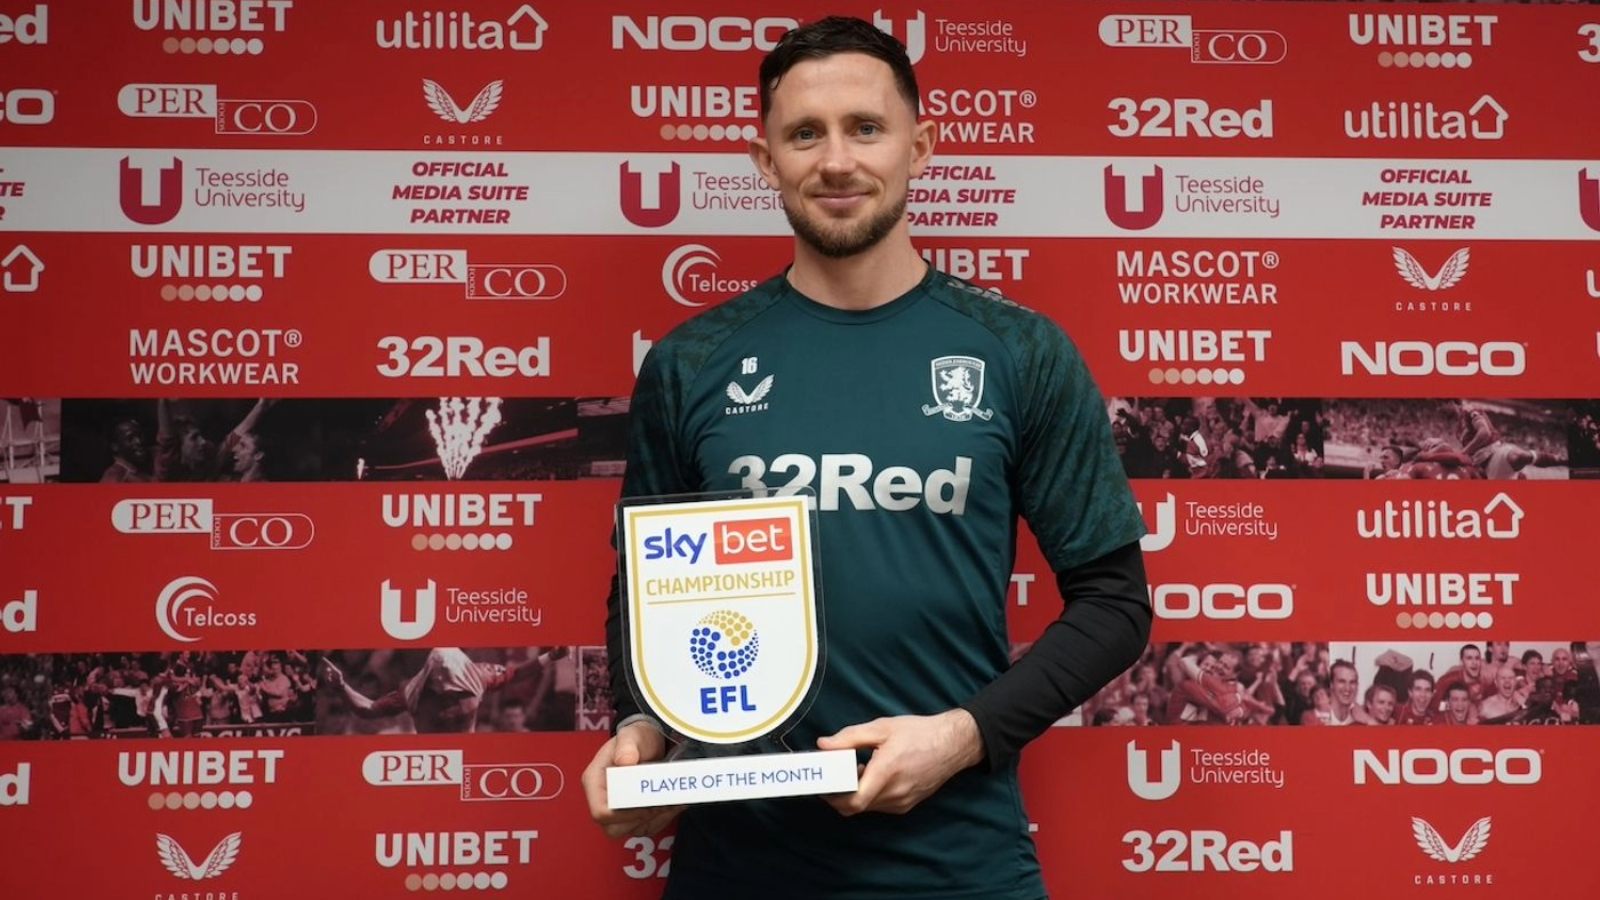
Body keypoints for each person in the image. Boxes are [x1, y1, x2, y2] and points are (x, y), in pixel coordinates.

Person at [581, 17, 1151, 900]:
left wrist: (962, 735)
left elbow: (1114, 605)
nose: (836, 160)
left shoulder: (1017, 352)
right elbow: (643, 591)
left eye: (865, 128)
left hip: (958, 860)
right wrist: (642, 731)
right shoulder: (691, 363)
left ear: (921, 147)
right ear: (766, 162)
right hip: (740, 862)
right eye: (804, 133)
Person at [323, 647, 567, 734]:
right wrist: (342, 687)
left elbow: (516, 673)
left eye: (453, 684)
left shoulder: (478, 676)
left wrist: (551, 656)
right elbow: (368, 709)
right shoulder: (414, 692)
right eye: (441, 683)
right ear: (431, 679)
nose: (447, 688)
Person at [98, 418, 152, 483]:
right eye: (130, 438)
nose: (139, 441)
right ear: (115, 446)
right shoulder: (114, 477)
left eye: (140, 435)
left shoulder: (146, 465)